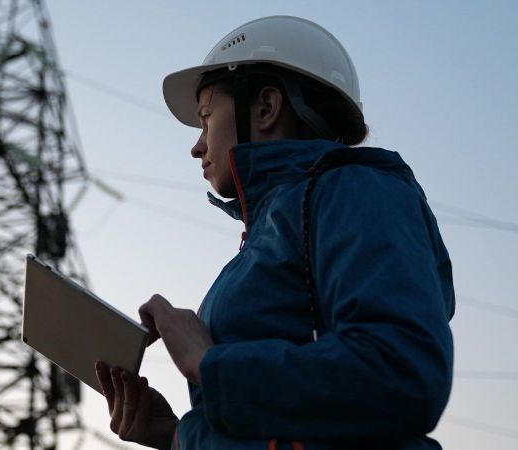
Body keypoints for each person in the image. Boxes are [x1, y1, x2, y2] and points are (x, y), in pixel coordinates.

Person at [94, 15, 455, 450]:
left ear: (265, 108)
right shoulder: (272, 228)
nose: (197, 145)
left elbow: (403, 373)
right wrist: (176, 435)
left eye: (206, 118)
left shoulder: (355, 190)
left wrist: (208, 363)